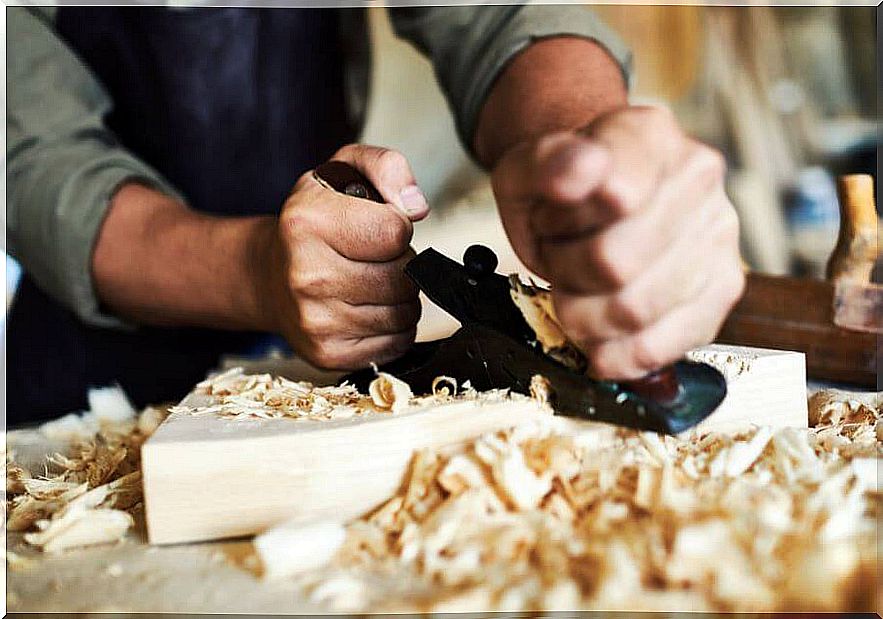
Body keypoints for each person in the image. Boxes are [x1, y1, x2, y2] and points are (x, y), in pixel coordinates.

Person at [6, 6, 744, 424]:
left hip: (322, 362)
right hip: (98, 392)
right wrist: (257, 268)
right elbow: (37, 163)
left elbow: (498, 14)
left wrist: (579, 149)